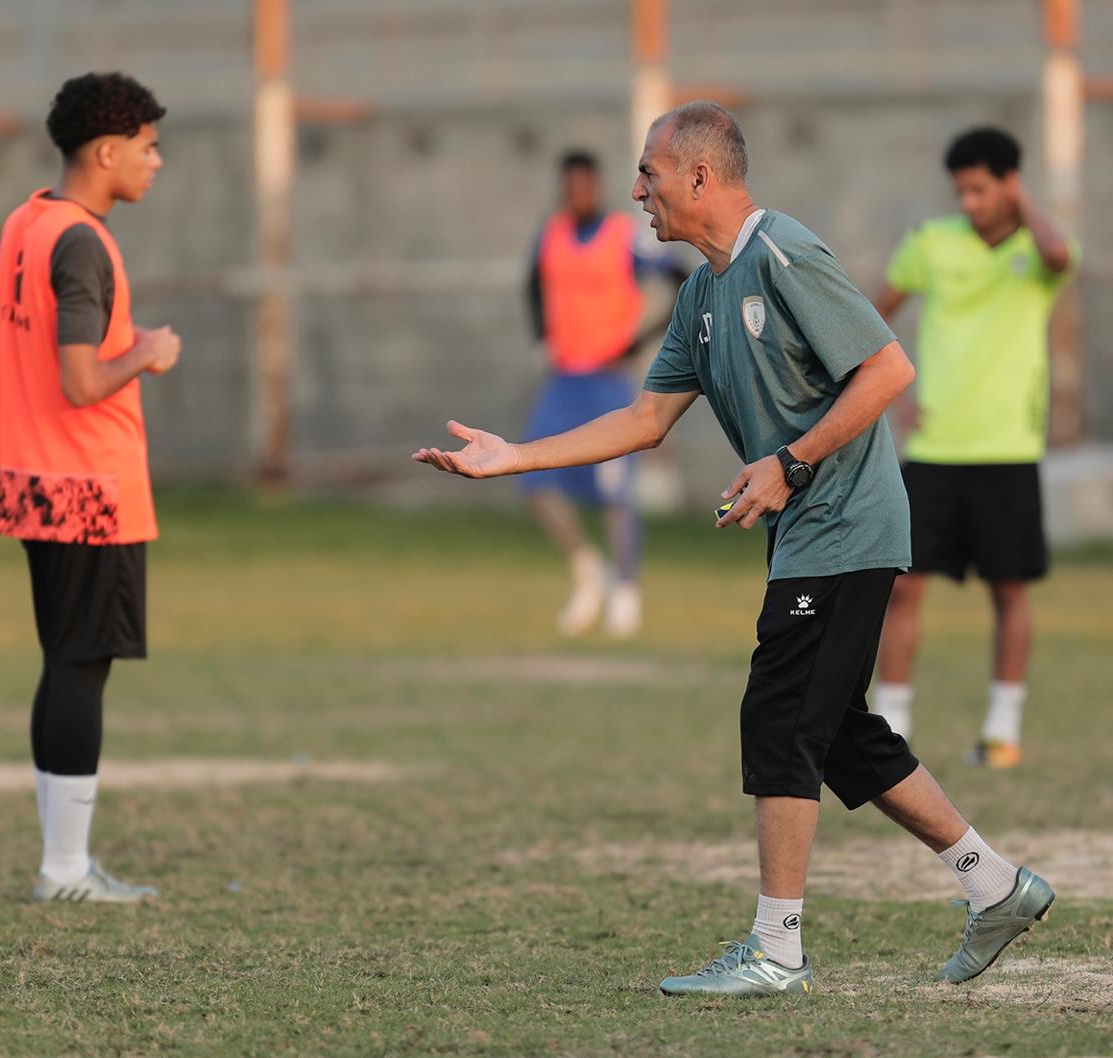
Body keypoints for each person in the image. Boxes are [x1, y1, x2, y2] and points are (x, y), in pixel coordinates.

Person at [413, 102, 1053, 996]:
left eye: (650, 173)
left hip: (849, 528)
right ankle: (997, 887)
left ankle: (777, 951)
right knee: (835, 735)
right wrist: (514, 457)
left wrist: (789, 463)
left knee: (781, 719)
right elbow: (645, 419)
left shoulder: (782, 250)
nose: (637, 190)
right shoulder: (701, 293)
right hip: (807, 537)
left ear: (700, 177)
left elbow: (888, 369)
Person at [0, 72, 180, 902]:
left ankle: (62, 861)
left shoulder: (26, 221)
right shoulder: (82, 243)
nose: (156, 161)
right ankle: (65, 869)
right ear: (107, 151)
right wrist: (145, 350)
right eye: (147, 146)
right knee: (80, 664)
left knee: (63, 662)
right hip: (87, 489)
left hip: (35, 481)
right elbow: (78, 379)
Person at [872, 127, 1078, 767]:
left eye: (981, 189)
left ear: (1009, 185)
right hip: (934, 449)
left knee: (1009, 592)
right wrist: (892, 392)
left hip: (1008, 449)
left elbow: (1059, 257)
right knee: (903, 587)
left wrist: (1024, 203)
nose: (968, 202)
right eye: (961, 189)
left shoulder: (1036, 253)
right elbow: (873, 315)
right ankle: (891, 729)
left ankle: (1001, 729)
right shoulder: (931, 244)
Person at [523, 150, 687, 637]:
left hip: (608, 381)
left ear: (595, 187)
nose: (576, 195)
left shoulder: (623, 236)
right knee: (536, 482)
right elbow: (531, 286)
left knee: (616, 493)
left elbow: (679, 278)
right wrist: (542, 338)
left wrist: (638, 340)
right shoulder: (550, 236)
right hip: (564, 380)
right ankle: (587, 569)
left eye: (583, 186)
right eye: (568, 187)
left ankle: (626, 588)